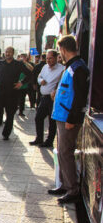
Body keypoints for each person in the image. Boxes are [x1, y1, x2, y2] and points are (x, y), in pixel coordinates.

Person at [48, 35, 89, 203]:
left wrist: (72, 119)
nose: (60, 55)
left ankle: (72, 189)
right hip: (62, 117)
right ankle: (64, 184)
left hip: (68, 119)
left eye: (60, 51)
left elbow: (79, 97)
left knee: (66, 153)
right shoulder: (71, 66)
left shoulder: (78, 68)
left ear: (63, 50)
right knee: (62, 152)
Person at [0, 46, 32, 140]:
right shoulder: (0, 63)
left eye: (9, 52)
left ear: (13, 53)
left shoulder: (18, 64)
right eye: (6, 52)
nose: (7, 54)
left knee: (10, 115)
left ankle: (6, 134)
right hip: (0, 92)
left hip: (12, 93)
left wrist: (21, 83)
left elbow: (29, 74)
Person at [30, 50, 64, 148]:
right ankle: (39, 138)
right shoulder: (44, 67)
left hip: (53, 98)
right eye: (47, 58)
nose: (48, 60)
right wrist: (41, 81)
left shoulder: (62, 69)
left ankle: (49, 141)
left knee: (52, 121)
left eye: (50, 58)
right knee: (38, 117)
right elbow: (39, 77)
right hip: (44, 97)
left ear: (56, 58)